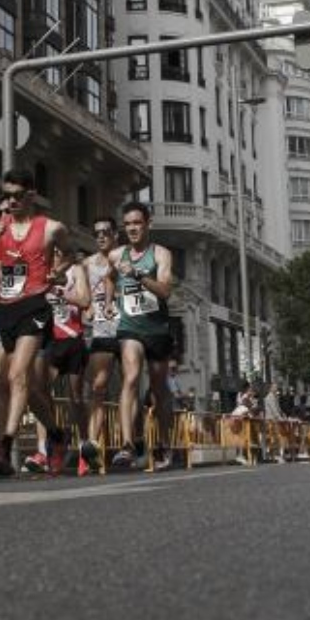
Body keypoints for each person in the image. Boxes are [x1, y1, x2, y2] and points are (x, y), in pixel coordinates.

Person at [0, 170, 78, 477]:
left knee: (18, 374)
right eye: (7, 196)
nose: (11, 201)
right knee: (16, 386)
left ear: (32, 195)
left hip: (35, 305)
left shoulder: (50, 228)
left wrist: (59, 270)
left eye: (18, 195)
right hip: (5, 310)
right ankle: (57, 434)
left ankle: (2, 447)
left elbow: (71, 254)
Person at [110, 201, 177, 471]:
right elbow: (106, 276)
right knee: (131, 377)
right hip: (130, 328)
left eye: (137, 223)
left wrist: (137, 275)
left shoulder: (161, 254)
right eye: (127, 224)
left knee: (159, 391)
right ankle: (127, 445)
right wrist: (105, 302)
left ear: (148, 224)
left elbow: (165, 291)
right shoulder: (117, 255)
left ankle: (163, 442)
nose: (132, 229)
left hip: (157, 330)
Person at [27, 242, 92, 473]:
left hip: (72, 338)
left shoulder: (76, 270)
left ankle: (84, 445)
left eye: (56, 251)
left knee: (75, 398)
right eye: (49, 251)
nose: (53, 255)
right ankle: (46, 449)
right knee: (40, 393)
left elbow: (85, 301)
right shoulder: (39, 271)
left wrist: (61, 288)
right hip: (48, 339)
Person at [79, 216, 121, 473]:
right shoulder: (86, 264)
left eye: (106, 231)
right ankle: (92, 445)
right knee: (98, 387)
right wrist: (87, 307)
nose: (102, 236)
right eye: (97, 233)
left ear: (115, 234)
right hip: (100, 327)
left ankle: (130, 444)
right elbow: (82, 294)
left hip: (126, 327)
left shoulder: (125, 258)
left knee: (128, 387)